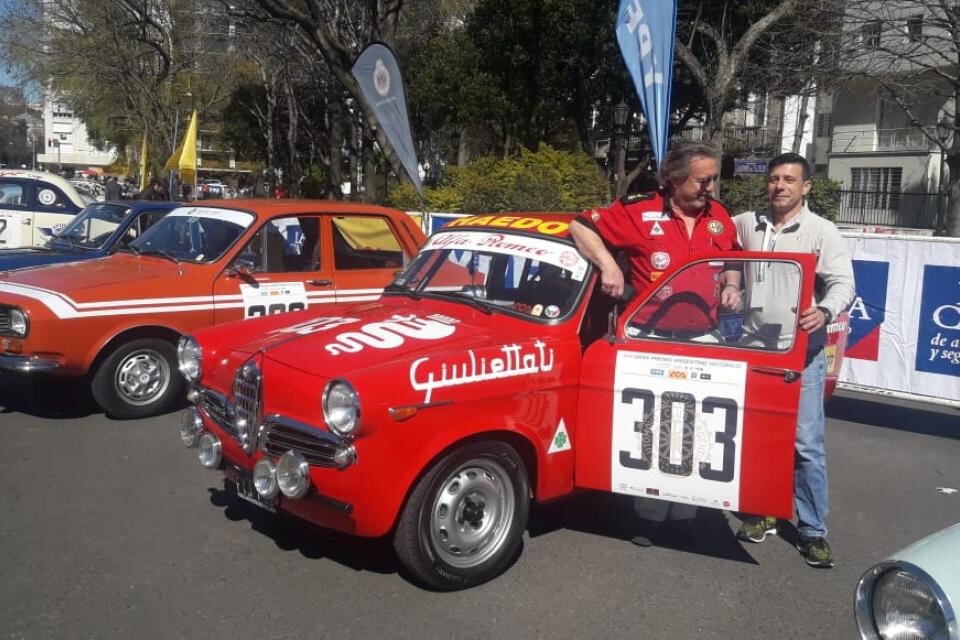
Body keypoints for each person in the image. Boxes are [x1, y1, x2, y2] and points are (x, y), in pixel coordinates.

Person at [570, 140, 741, 546]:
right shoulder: (638, 211)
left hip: (704, 338)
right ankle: (648, 516)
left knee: (698, 428)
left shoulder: (720, 217)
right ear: (673, 179)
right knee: (653, 427)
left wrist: (732, 285)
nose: (711, 188)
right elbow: (580, 226)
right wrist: (608, 263)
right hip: (650, 338)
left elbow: (733, 258)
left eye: (714, 179)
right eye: (703, 180)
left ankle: (685, 514)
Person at [732, 152, 855, 568]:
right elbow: (724, 254)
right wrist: (730, 283)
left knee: (805, 444)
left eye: (789, 179)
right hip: (754, 351)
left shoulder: (822, 231)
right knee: (760, 437)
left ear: (806, 187)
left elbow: (843, 283)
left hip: (803, 353)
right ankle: (765, 510)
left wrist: (826, 311)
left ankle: (812, 530)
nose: (779, 186)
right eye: (773, 179)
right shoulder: (746, 223)